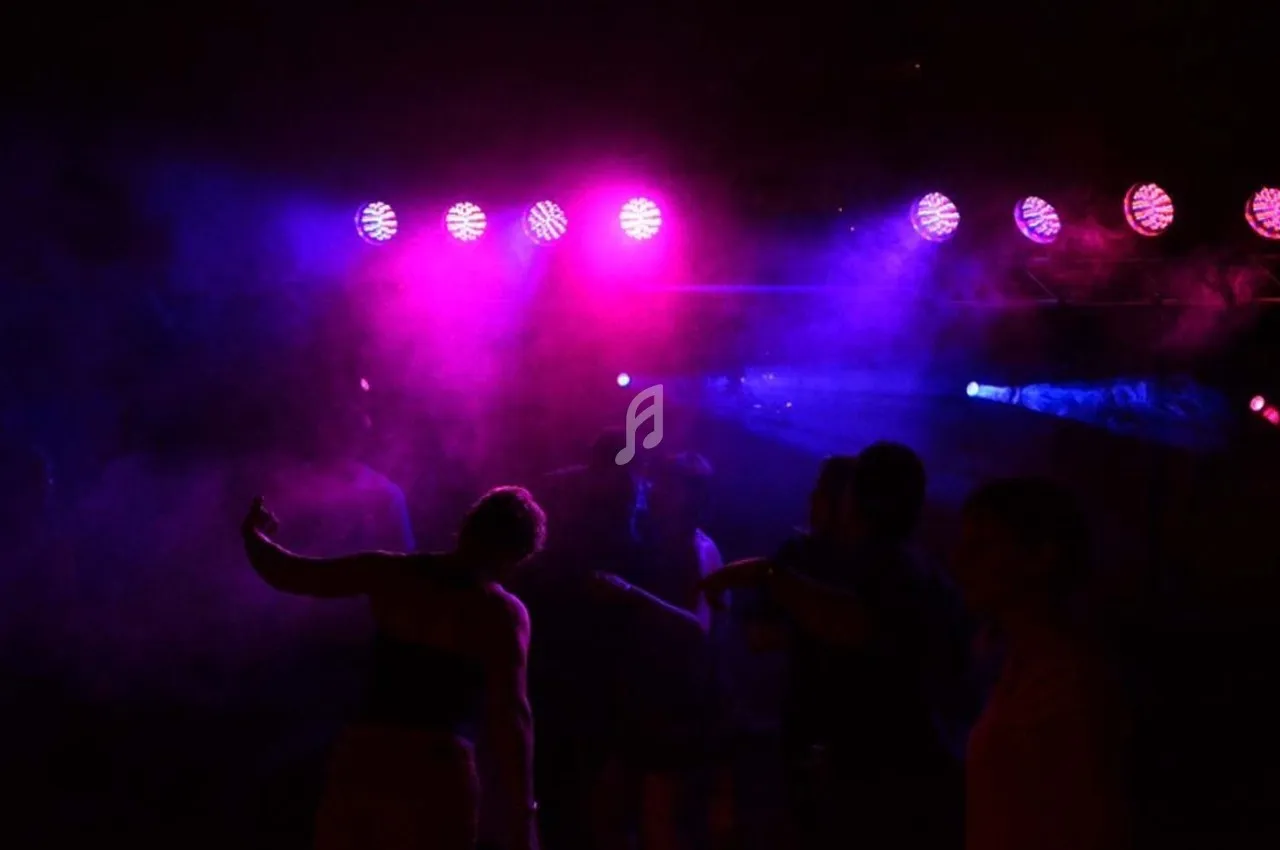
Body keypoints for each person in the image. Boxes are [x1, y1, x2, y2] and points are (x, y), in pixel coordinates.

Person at [240, 486, 544, 850]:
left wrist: (253, 535)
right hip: (436, 770)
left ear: (467, 525)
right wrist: (522, 814)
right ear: (516, 555)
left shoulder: (390, 572)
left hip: (364, 757)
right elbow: (512, 715)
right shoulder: (501, 613)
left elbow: (291, 573)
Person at [701, 444, 971, 850]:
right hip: (844, 756)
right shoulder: (906, 568)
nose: (813, 500)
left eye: (826, 492)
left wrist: (769, 578)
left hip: (874, 770)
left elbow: (861, 628)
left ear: (850, 499)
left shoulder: (892, 569)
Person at [952, 477, 1131, 850]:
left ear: (1041, 557)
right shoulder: (1012, 661)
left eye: (982, 546)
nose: (960, 560)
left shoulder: (1067, 682)